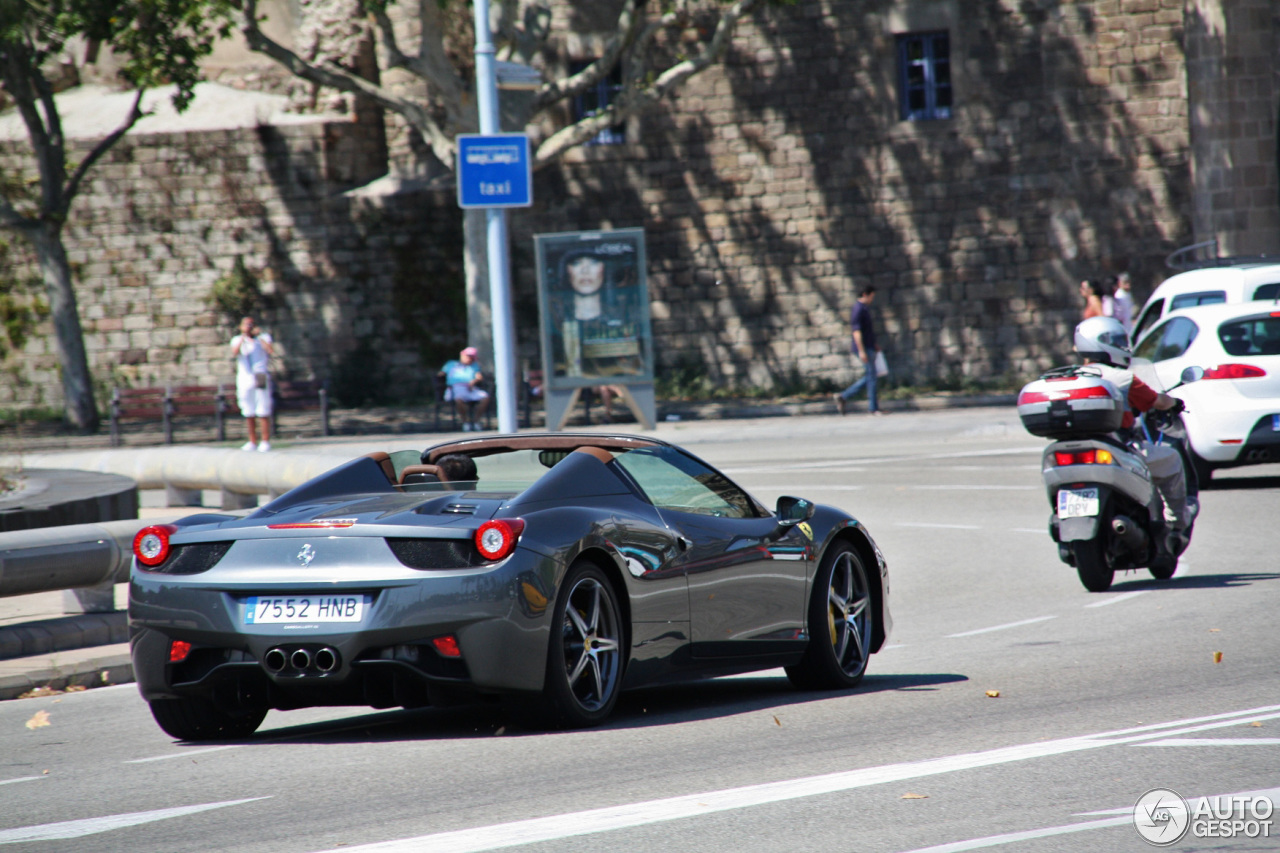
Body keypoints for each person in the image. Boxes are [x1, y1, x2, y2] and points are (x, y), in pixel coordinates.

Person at [1074, 316, 1193, 546]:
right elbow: (1157, 401)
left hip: (1078, 451)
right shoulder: (1123, 378)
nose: (1123, 347)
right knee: (1172, 460)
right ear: (1104, 344)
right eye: (1117, 341)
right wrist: (1174, 403)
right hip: (1120, 450)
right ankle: (1177, 524)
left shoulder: (1072, 376)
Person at [833, 285, 883, 416]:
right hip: (864, 348)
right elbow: (856, 332)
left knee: (871, 376)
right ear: (866, 294)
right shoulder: (858, 309)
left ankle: (844, 397)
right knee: (871, 377)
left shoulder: (864, 309)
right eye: (872, 296)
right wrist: (861, 351)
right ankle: (873, 408)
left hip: (869, 347)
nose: (872, 299)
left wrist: (874, 344)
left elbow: (867, 331)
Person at [229, 315, 274, 452]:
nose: (249, 327)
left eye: (251, 324)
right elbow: (235, 353)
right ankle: (252, 441)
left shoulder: (263, 338)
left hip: (260, 375)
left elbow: (270, 350)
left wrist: (258, 337)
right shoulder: (237, 339)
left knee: (263, 408)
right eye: (246, 324)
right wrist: (244, 337)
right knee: (248, 409)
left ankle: (265, 441)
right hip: (245, 377)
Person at [440, 347, 489, 432]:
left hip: (470, 388)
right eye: (468, 356)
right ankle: (465, 422)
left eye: (472, 357)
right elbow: (440, 375)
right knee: (459, 399)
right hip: (455, 388)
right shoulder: (451, 364)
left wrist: (473, 381)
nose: (469, 358)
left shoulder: (474, 365)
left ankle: (476, 422)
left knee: (485, 397)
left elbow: (479, 377)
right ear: (462, 354)